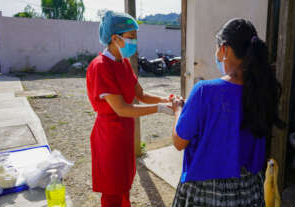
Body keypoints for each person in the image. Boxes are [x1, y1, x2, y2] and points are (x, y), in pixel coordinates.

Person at [170, 18, 285, 207]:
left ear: (224, 49)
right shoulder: (265, 90)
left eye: (217, 48)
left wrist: (178, 110)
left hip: (206, 191)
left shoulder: (204, 91)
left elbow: (179, 141)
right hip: (250, 190)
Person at [86, 10, 174, 207]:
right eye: (131, 37)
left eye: (135, 37)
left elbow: (141, 95)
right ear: (115, 38)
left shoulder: (124, 63)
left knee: (124, 183)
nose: (134, 42)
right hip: (109, 135)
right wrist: (159, 109)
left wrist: (167, 99)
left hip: (125, 133)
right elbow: (122, 109)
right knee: (112, 189)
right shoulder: (101, 66)